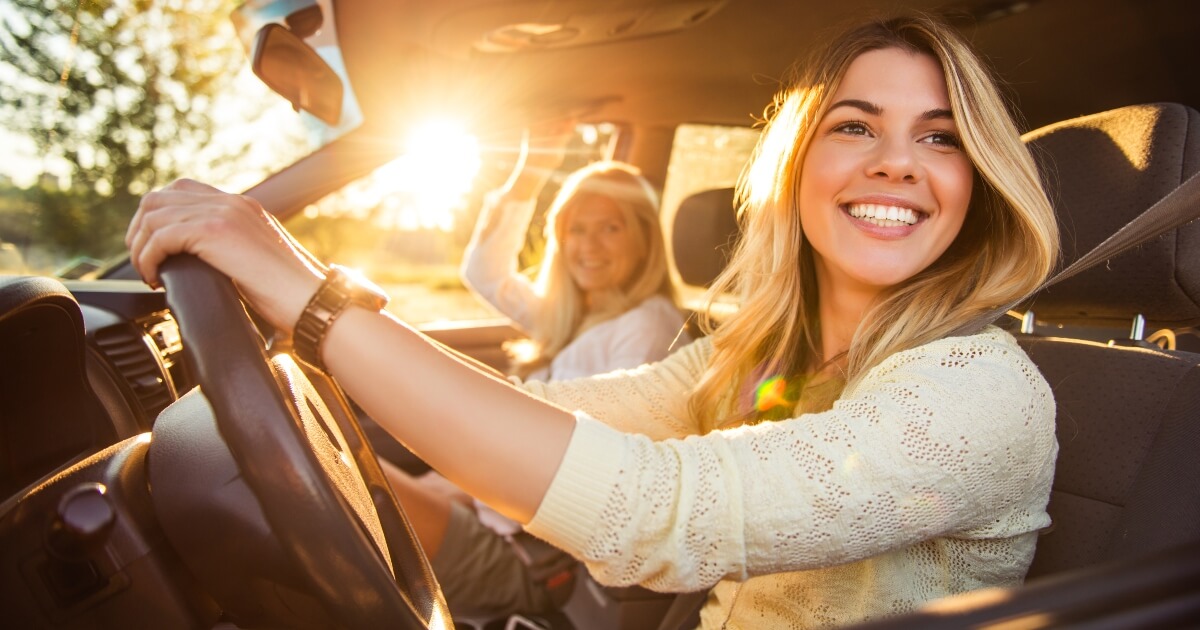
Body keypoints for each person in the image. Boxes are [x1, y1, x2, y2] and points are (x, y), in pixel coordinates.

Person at [126, 11, 1061, 628]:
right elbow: (562, 412)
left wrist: (313, 296)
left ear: (975, 184)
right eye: (855, 126)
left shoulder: (978, 392)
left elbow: (664, 512)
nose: (897, 162)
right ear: (796, 168)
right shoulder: (762, 358)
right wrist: (325, 372)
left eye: (939, 137)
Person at [383, 126, 692, 619]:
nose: (588, 245)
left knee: (358, 489)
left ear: (643, 238)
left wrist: (465, 483)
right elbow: (485, 272)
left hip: (539, 556)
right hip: (499, 513)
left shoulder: (649, 327)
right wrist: (532, 171)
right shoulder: (570, 316)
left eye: (610, 227)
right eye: (576, 227)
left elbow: (593, 462)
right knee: (352, 474)